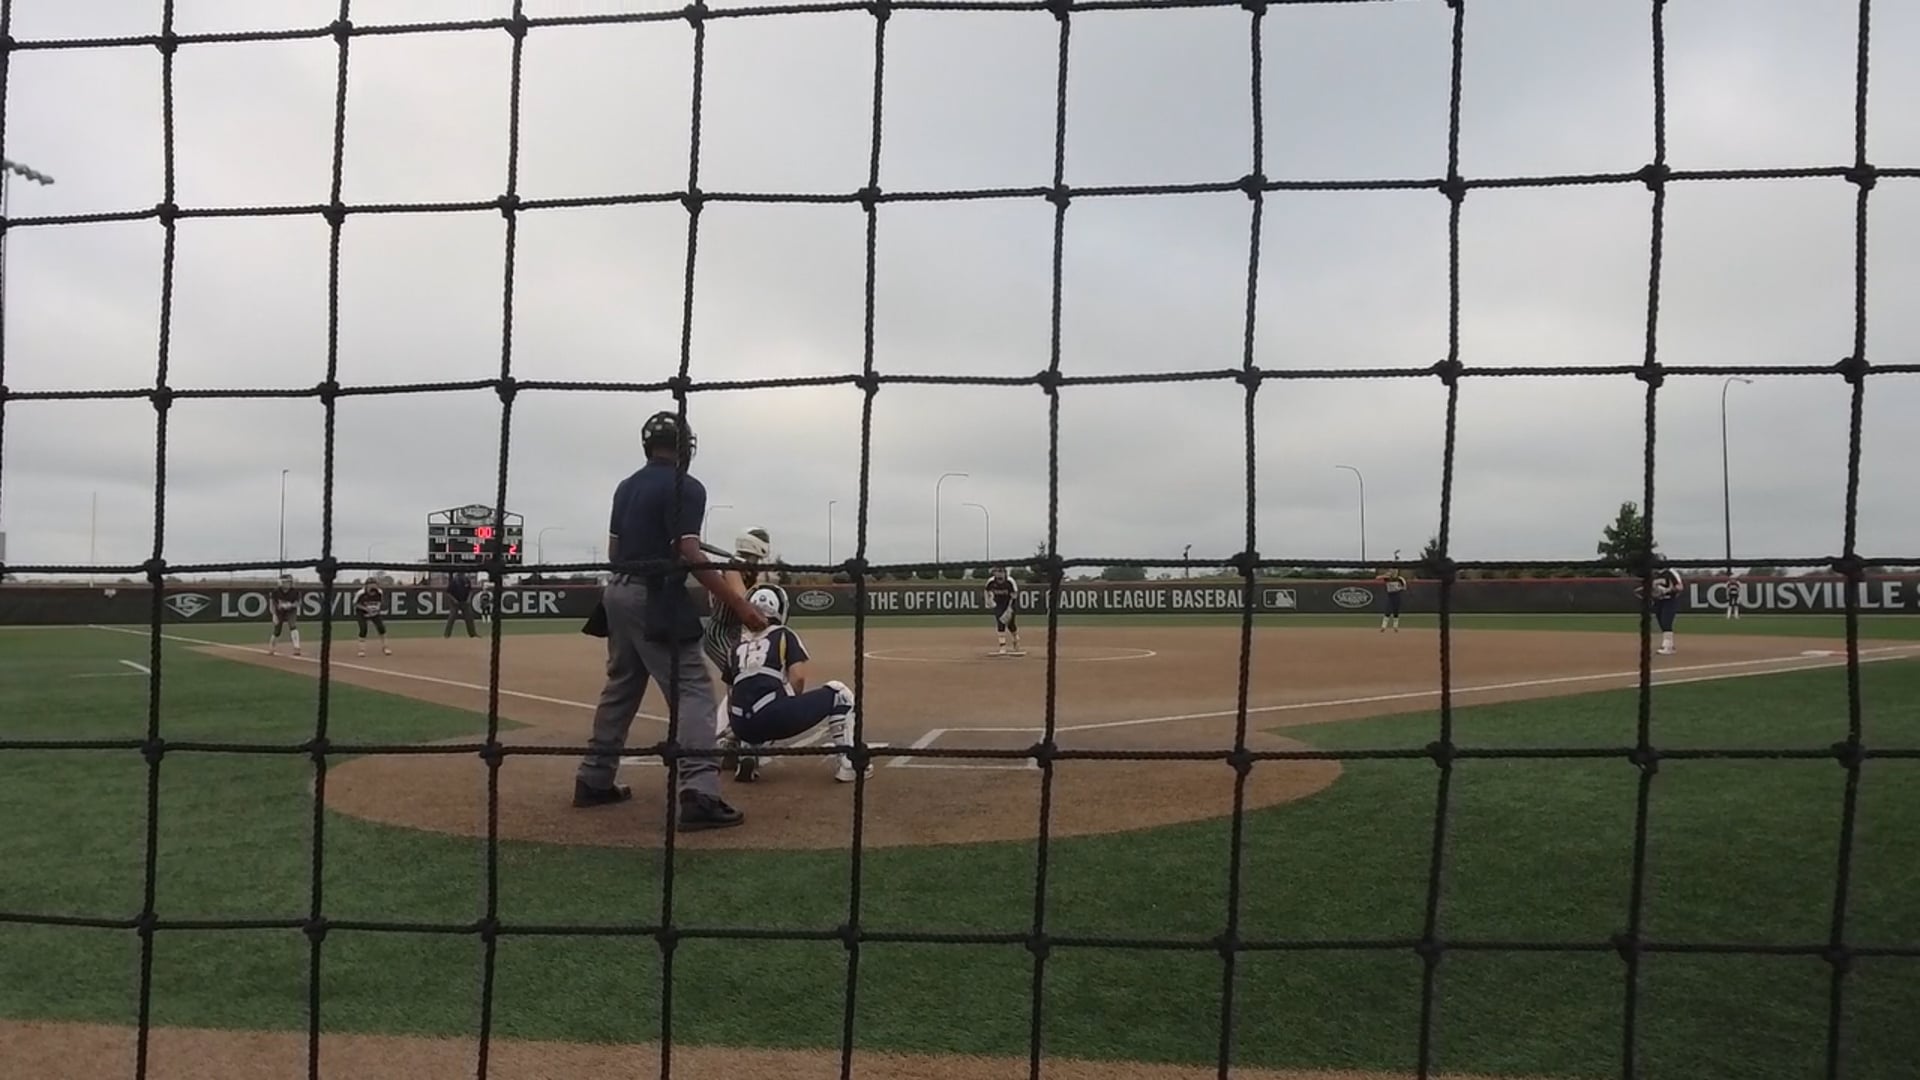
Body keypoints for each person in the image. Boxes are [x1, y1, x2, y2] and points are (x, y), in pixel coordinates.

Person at [573, 410, 767, 832]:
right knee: (693, 690)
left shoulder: (626, 487)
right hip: (654, 595)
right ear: (685, 446)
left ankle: (594, 778)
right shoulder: (687, 486)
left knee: (622, 687)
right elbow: (689, 553)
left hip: (616, 593)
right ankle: (699, 793)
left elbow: (615, 552)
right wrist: (740, 604)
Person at [719, 584, 868, 784]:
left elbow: (731, 695)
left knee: (750, 705)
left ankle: (748, 750)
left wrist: (736, 730)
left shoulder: (735, 646)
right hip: (772, 716)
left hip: (740, 726)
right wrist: (787, 706)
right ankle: (850, 765)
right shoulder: (783, 634)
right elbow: (798, 678)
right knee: (839, 693)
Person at [702, 526, 776, 737]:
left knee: (746, 675)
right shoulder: (732, 568)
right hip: (719, 634)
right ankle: (727, 729)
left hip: (736, 635)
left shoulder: (748, 571)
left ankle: (737, 726)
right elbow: (745, 599)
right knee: (739, 675)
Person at [1648, 559, 1684, 655]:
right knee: (1661, 622)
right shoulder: (1654, 574)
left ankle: (1667, 646)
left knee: (1666, 621)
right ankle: (1670, 645)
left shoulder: (1670, 572)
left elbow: (1680, 587)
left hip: (1669, 600)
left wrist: (1667, 591)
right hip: (1658, 601)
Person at [985, 566, 1022, 656]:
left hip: (1009, 604)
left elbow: (1014, 595)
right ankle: (1002, 646)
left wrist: (1009, 609)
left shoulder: (1010, 581)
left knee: (1011, 624)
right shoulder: (991, 581)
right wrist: (988, 600)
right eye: (997, 572)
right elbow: (986, 590)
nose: (999, 574)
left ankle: (1016, 639)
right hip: (998, 604)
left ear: (1005, 573)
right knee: (1000, 622)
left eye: (1001, 572)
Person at [354, 578, 391, 657]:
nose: (373, 586)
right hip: (362, 613)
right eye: (370, 585)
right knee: (363, 629)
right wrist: (366, 609)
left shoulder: (379, 592)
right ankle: (361, 650)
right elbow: (355, 604)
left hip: (374, 612)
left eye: (374, 585)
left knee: (381, 628)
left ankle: (385, 647)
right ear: (366, 586)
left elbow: (380, 602)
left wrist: (377, 608)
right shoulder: (360, 593)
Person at [268, 576, 302, 656]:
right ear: (281, 583)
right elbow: (272, 604)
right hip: (279, 611)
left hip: (291, 610)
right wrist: (274, 615)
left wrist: (290, 605)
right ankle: (272, 647)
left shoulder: (295, 592)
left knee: (293, 626)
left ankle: (297, 647)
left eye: (289, 582)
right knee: (277, 629)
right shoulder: (276, 592)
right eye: (286, 582)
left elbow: (298, 603)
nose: (288, 584)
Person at [442, 572, 479, 638]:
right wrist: (454, 600)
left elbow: (470, 590)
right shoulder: (454, 581)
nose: (463, 575)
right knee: (452, 617)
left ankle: (472, 634)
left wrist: (469, 599)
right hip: (455, 603)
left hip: (465, 601)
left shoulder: (467, 580)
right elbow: (448, 593)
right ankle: (446, 634)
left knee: (469, 617)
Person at [1380, 564, 1407, 632]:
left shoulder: (1400, 579)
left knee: (1396, 611)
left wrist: (1399, 588)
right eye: (1392, 570)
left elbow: (1404, 587)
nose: (1394, 572)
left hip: (1397, 595)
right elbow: (1377, 577)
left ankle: (1395, 627)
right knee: (1388, 610)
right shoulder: (1387, 578)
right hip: (1390, 595)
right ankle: (1383, 626)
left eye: (1395, 571)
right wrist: (1386, 575)